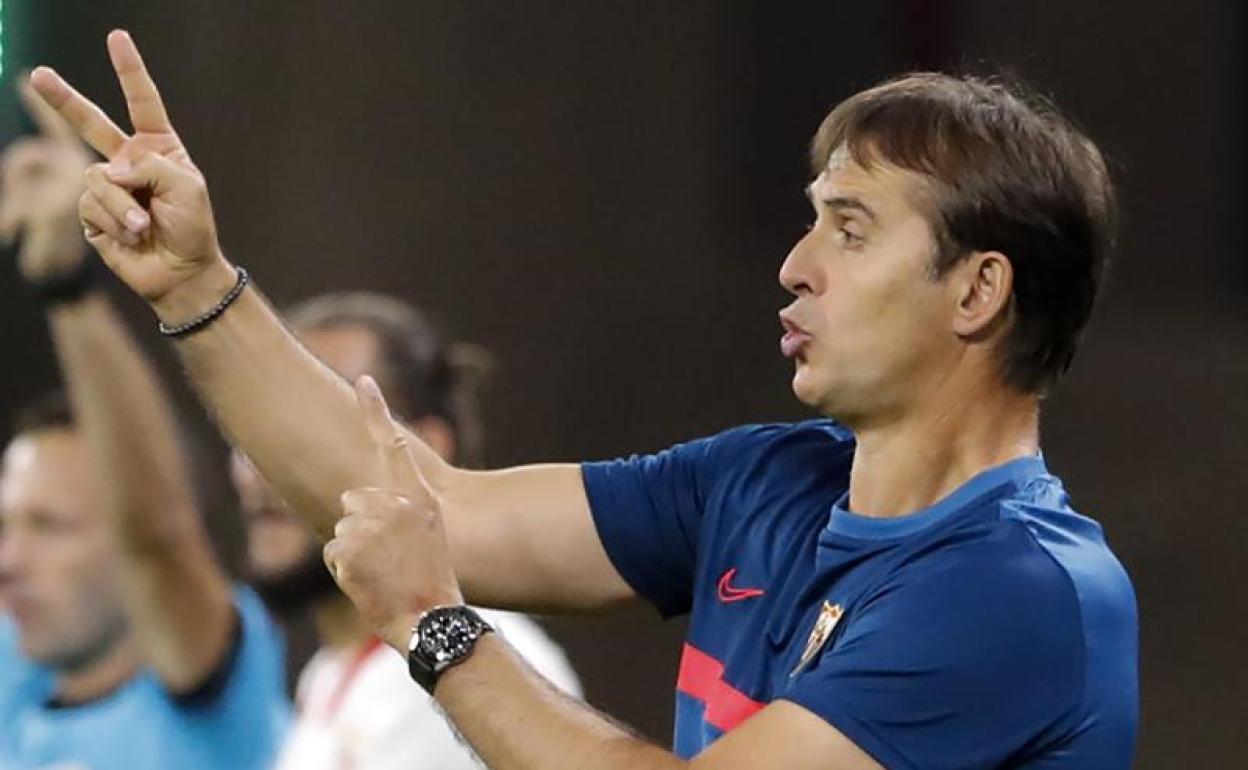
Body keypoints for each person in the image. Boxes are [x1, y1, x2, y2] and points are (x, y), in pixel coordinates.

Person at [33, 29, 1139, 769]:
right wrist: (195, 286)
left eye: (849, 230)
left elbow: (431, 569)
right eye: (810, 221)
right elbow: (427, 508)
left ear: (978, 290)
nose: (796, 265)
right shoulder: (766, 480)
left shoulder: (1024, 593)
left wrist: (438, 629)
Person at [0, 75, 290, 769]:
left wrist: (68, 290)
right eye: (6, 527)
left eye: (51, 527)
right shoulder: (18, 678)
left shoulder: (217, 690)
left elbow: (157, 536)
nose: (9, 563)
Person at [234, 291, 582, 769]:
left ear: (421, 450)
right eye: (257, 428)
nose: (258, 467)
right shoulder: (330, 673)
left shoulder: (466, 666)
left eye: (312, 433)